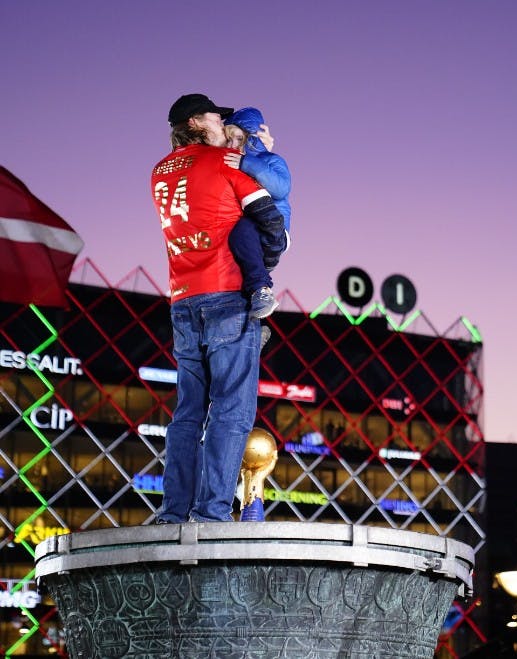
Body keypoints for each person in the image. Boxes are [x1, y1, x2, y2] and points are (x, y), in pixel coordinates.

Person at [151, 93, 285, 523]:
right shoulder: (222, 162)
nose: (220, 122)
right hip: (227, 296)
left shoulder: (157, 173)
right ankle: (211, 514)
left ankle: (174, 513)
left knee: (188, 412)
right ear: (195, 121)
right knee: (231, 409)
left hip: (182, 300)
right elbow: (267, 208)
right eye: (214, 115)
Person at [223, 107, 291, 319]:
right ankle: (253, 325)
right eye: (229, 140)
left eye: (238, 138)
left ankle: (263, 291)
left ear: (251, 138)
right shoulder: (234, 161)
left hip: (273, 229)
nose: (232, 145)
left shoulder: (271, 160)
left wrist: (248, 163)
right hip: (250, 232)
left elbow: (281, 188)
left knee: (241, 231)